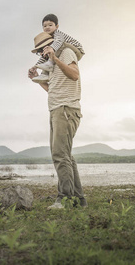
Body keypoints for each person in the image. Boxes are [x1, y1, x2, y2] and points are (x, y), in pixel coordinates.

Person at [28, 32, 87, 209]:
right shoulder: (51, 63)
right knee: (65, 155)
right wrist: (36, 80)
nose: (41, 54)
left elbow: (74, 75)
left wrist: (56, 58)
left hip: (66, 109)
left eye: (42, 49)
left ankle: (64, 199)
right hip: (56, 109)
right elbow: (53, 89)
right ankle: (79, 199)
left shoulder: (66, 52)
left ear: (51, 45)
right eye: (39, 52)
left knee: (60, 155)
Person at [31, 13, 85, 84]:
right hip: (63, 49)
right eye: (45, 26)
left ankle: (48, 66)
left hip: (77, 50)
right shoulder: (48, 39)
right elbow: (44, 55)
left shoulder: (58, 34)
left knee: (58, 46)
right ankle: (44, 74)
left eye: (50, 25)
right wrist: (35, 67)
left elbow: (58, 42)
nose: (47, 27)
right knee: (47, 52)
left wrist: (51, 48)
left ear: (56, 26)